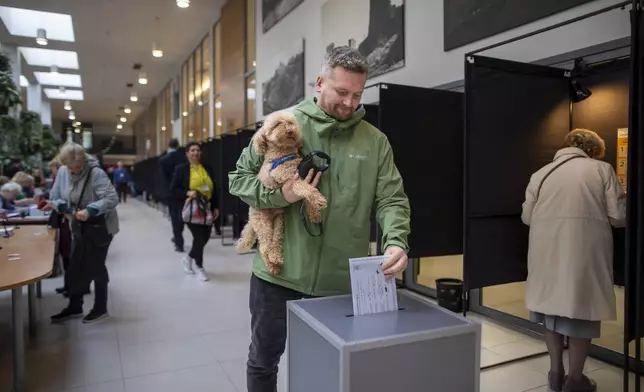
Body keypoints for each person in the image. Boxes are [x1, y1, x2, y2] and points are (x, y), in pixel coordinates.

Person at [228, 46, 411, 392]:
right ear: (319, 82)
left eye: (357, 95)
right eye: (341, 92)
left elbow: (392, 200)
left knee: (330, 368)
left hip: (340, 285)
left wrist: (396, 241)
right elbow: (239, 179)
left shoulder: (375, 142)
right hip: (277, 277)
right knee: (263, 361)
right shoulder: (282, 124)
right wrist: (281, 196)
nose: (349, 103)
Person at [521, 128, 626, 392]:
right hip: (583, 251)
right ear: (593, 150)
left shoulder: (540, 174)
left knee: (551, 313)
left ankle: (555, 373)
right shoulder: (601, 169)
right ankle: (575, 380)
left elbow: (527, 217)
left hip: (545, 251)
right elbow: (619, 217)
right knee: (582, 313)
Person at [50, 142, 119, 324]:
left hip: (100, 227)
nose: (73, 172)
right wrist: (63, 206)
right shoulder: (64, 171)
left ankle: (100, 308)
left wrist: (91, 210)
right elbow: (54, 196)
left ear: (82, 161)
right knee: (75, 264)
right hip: (78, 227)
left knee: (96, 265)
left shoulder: (95, 173)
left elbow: (112, 198)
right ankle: (75, 306)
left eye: (77, 168)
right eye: (70, 168)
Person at [169, 141, 219, 282]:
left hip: (207, 208)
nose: (195, 152)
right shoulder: (181, 169)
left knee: (206, 236)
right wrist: (187, 192)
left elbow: (214, 189)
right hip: (192, 208)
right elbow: (173, 189)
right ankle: (199, 267)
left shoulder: (207, 168)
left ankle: (188, 258)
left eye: (197, 150)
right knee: (199, 237)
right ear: (187, 153)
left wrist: (216, 206)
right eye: (192, 150)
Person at [46, 155, 76, 297]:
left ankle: (74, 286)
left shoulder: (66, 175)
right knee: (66, 253)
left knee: (70, 254)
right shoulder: (61, 179)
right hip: (64, 219)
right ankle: (68, 284)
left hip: (69, 220)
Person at [159, 138, 188, 252]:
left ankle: (178, 242)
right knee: (181, 215)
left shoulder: (163, 160)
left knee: (174, 217)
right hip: (183, 191)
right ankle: (178, 234)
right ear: (178, 146)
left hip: (170, 192)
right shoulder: (184, 158)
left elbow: (162, 179)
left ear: (168, 145)